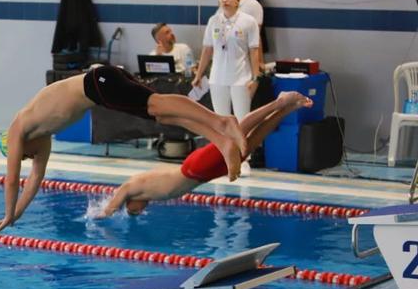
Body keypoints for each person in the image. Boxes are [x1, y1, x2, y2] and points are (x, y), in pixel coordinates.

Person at [0, 65, 247, 232]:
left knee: (157, 105)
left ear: (16, 145)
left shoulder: (19, 126)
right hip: (100, 89)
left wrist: (7, 212)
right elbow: (35, 179)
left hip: (98, 83)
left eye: (23, 155)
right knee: (163, 116)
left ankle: (222, 122)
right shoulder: (42, 138)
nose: (28, 157)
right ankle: (221, 140)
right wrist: (16, 214)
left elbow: (13, 180)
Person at [99, 91, 312, 217]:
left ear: (130, 203)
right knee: (250, 143)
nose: (136, 212)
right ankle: (286, 109)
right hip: (203, 173)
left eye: (132, 212)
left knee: (239, 132)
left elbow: (116, 199)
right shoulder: (146, 196)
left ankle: (279, 102)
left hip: (195, 168)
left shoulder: (133, 187)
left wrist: (101, 214)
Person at [193, 0, 262, 176]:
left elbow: (254, 51)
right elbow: (207, 49)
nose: (224, 0)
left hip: (241, 78)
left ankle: (244, 160)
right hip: (217, 78)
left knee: (242, 122)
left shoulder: (248, 22)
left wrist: (256, 78)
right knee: (221, 122)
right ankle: (224, 159)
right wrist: (199, 75)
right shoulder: (214, 21)